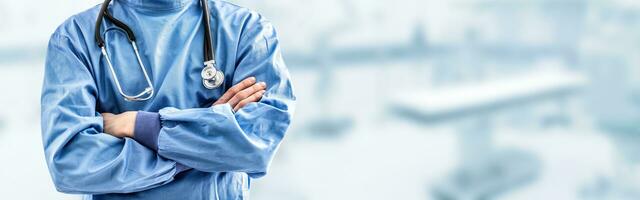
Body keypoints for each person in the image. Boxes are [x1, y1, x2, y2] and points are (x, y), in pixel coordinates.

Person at [40, 0, 295, 199]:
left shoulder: (247, 31)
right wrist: (207, 138)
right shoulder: (74, 39)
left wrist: (136, 124)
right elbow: (71, 161)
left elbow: (257, 144)